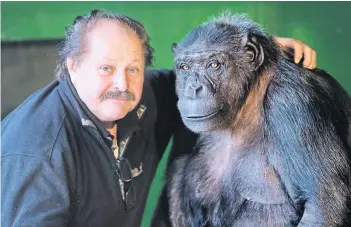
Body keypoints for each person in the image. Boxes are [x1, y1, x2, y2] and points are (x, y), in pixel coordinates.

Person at [1, 9, 317, 227]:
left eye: (133, 69)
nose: (122, 84)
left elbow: (201, 80)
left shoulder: (146, 94)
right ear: (73, 66)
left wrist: (257, 54)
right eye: (106, 68)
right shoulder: (37, 150)